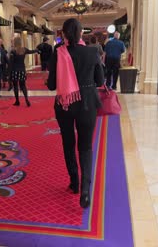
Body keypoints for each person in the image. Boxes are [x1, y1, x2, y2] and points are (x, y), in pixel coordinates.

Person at [47, 18, 105, 208]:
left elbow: (52, 85)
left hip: (65, 105)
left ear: (63, 34)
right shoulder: (92, 51)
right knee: (85, 146)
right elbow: (99, 81)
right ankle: (86, 191)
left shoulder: (58, 53)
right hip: (87, 103)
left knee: (68, 143)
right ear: (81, 33)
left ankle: (74, 182)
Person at [9, 37, 38, 107]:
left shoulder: (13, 51)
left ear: (15, 42)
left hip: (15, 70)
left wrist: (8, 73)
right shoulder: (24, 50)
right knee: (23, 85)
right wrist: (37, 50)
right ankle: (26, 99)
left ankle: (17, 101)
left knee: (15, 86)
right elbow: (31, 51)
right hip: (22, 70)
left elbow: (11, 63)